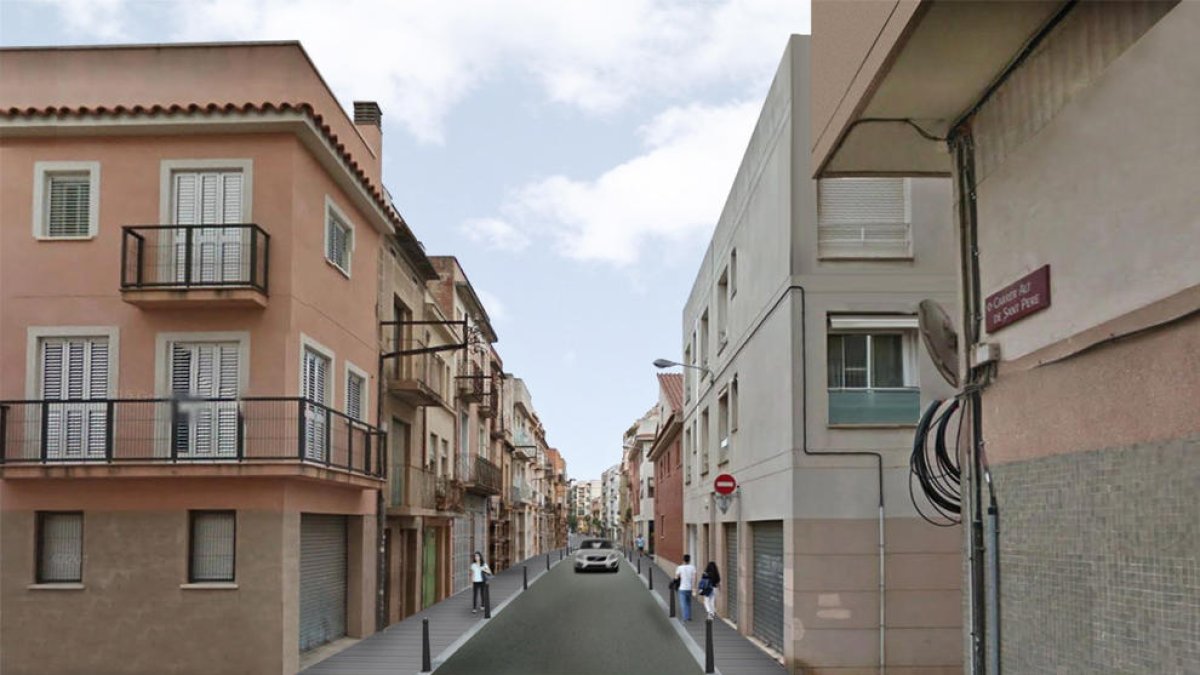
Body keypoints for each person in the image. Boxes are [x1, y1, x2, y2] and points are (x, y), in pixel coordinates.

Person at [674, 554, 697, 622]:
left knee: (683, 604)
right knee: (688, 603)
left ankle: (684, 618)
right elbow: (694, 578)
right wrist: (694, 587)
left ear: (683, 560)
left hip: (682, 588)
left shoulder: (679, 567)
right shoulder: (693, 567)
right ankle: (689, 617)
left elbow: (676, 577)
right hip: (689, 588)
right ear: (689, 560)